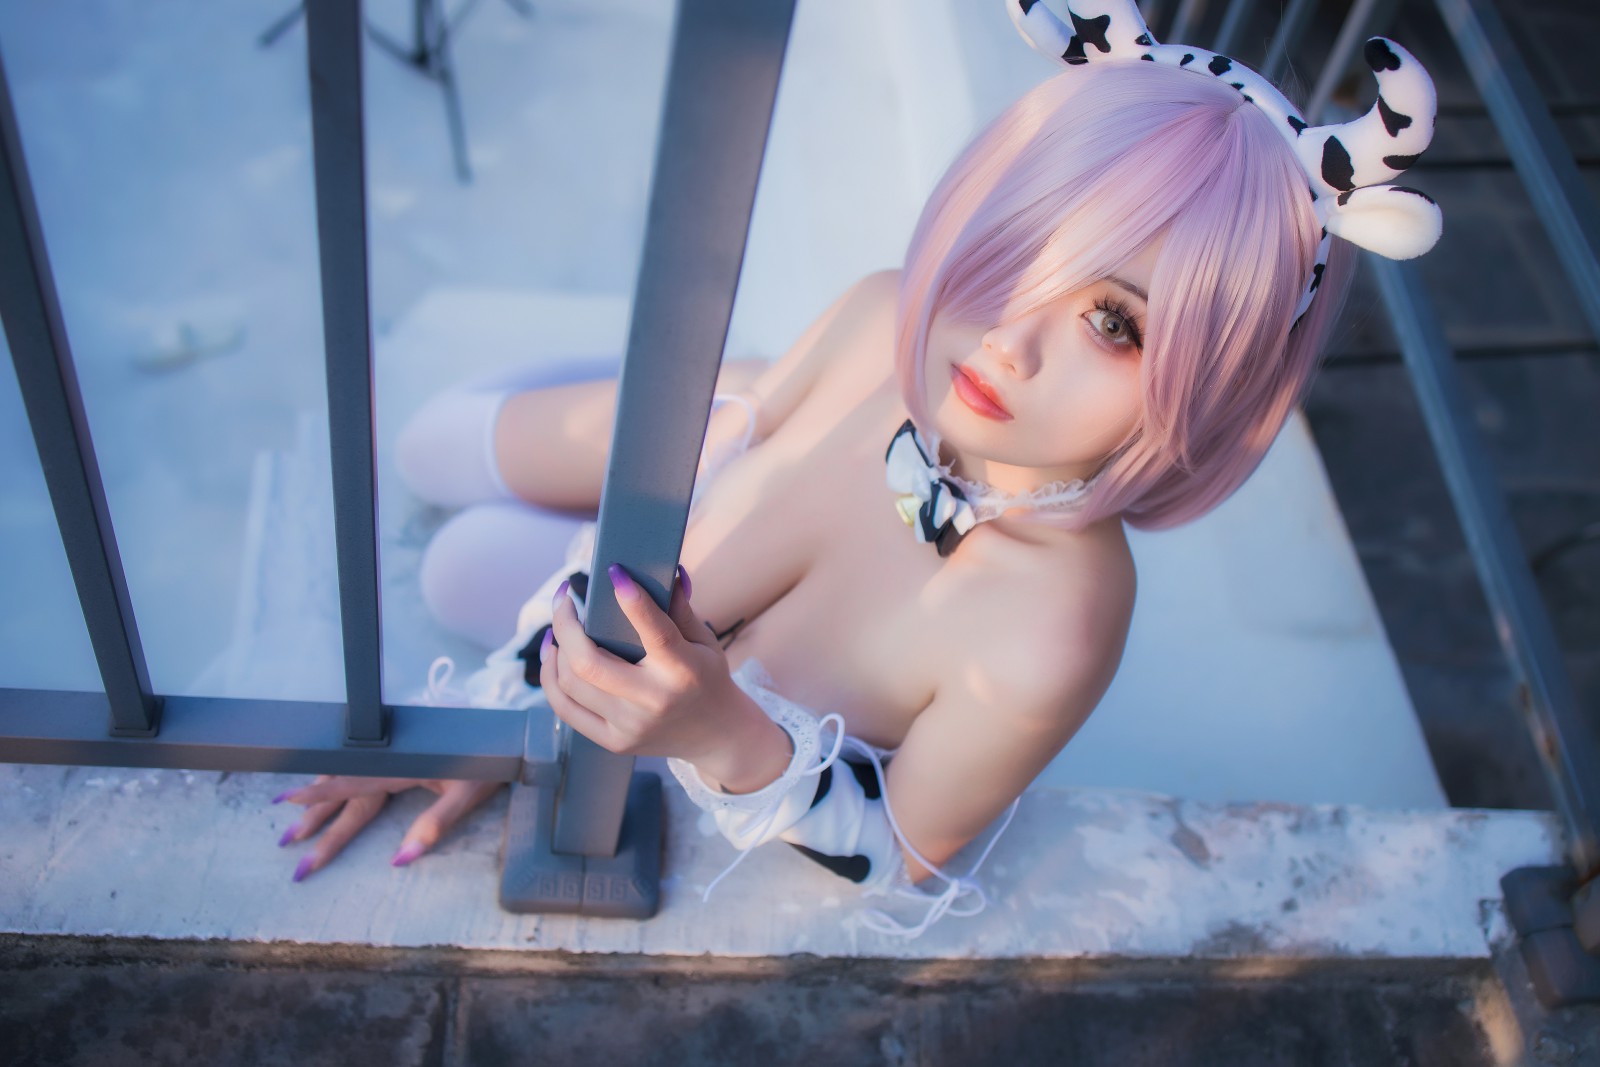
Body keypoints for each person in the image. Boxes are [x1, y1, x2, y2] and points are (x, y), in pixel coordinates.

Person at [271, 0, 1441, 934]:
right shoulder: (889, 317)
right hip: (736, 443)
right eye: (1020, 247)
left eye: (1112, 322)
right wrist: (503, 716)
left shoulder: (1057, 621)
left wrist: (724, 737)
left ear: (1216, 377)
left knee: (459, 565)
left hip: (720, 559)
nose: (1005, 338)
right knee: (433, 444)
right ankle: (701, 385)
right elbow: (641, 568)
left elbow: (900, 855)